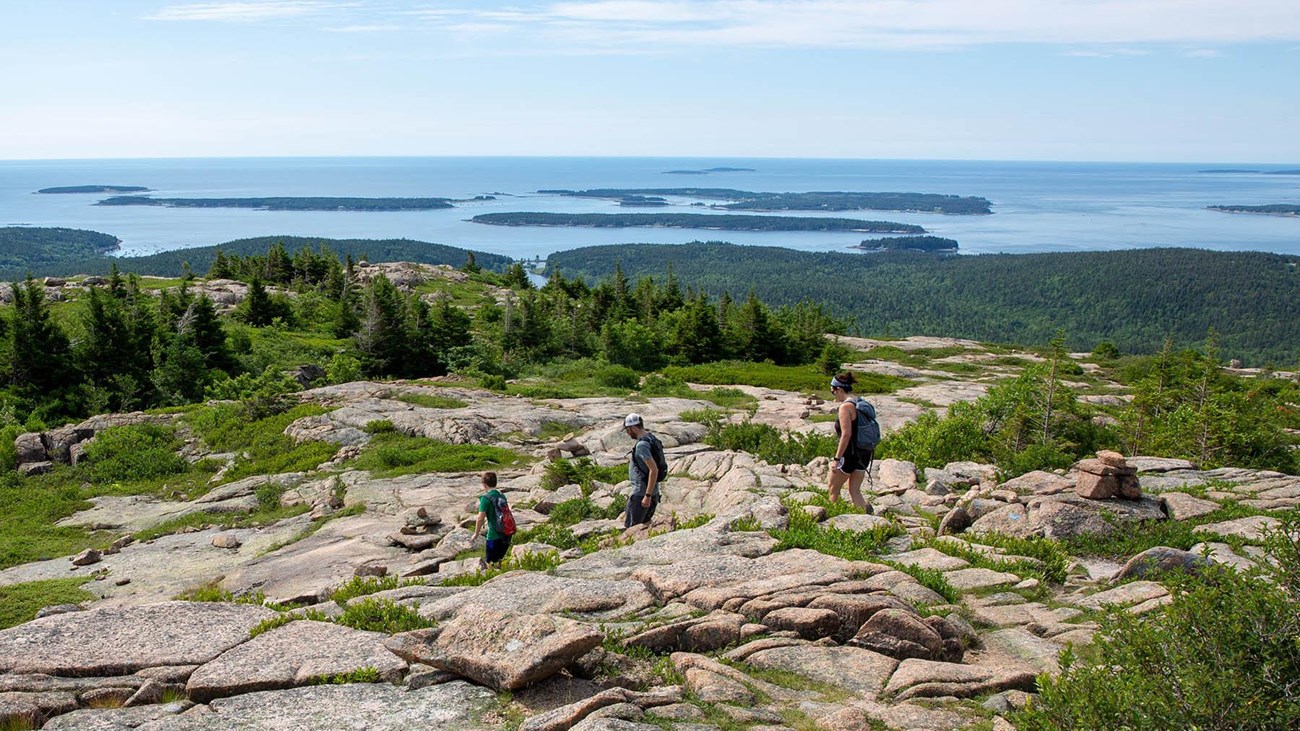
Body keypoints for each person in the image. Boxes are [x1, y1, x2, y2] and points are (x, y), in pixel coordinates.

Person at [828, 371, 873, 513]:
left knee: (833, 488)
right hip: (864, 453)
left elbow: (846, 435)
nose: (833, 394)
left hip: (849, 454)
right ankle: (866, 520)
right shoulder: (860, 402)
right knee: (855, 491)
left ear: (839, 389)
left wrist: (837, 459)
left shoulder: (845, 407)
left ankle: (833, 520)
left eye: (832, 391)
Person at [622, 413, 666, 528]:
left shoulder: (642, 445)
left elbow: (654, 469)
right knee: (645, 526)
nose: (627, 433)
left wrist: (647, 496)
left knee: (632, 528)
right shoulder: (651, 438)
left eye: (628, 429)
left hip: (642, 493)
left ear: (633, 428)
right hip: (653, 492)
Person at [472, 471, 511, 567]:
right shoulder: (501, 495)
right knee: (499, 560)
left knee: (490, 563)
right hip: (506, 533)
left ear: (484, 485)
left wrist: (476, 533)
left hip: (494, 534)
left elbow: (480, 518)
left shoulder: (485, 498)